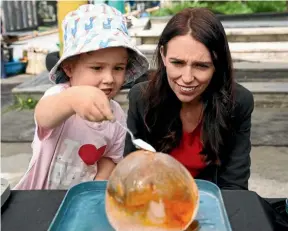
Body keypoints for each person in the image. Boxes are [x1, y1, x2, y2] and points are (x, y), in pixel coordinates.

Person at [14, 3, 149, 190]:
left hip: (79, 200)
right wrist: (72, 99)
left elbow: (110, 158)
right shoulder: (60, 96)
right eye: (97, 68)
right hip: (39, 196)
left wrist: (93, 191)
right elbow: (43, 116)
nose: (109, 78)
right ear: (69, 67)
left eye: (118, 68)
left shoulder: (116, 116)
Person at [124, 7, 254, 190]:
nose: (186, 78)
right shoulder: (141, 98)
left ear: (218, 64)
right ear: (163, 54)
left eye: (201, 66)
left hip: (211, 203)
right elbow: (130, 175)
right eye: (177, 63)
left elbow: (234, 185)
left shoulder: (238, 103)